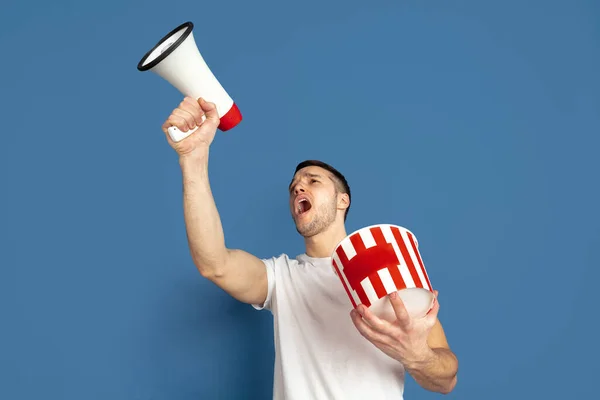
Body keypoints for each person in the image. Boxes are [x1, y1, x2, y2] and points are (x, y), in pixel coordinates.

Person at [161, 97, 459, 399]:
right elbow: (215, 265)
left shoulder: (387, 265)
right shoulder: (282, 278)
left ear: (343, 200)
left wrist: (417, 356)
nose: (298, 188)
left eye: (313, 181)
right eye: (294, 187)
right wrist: (192, 161)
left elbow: (446, 379)